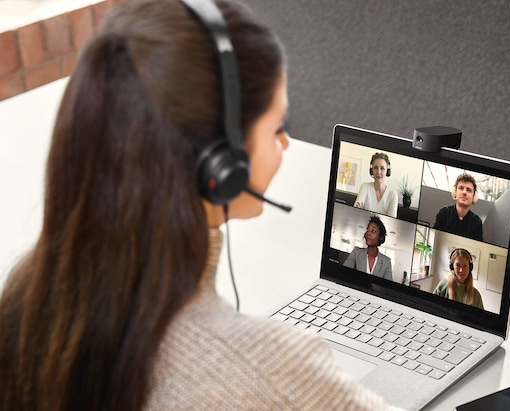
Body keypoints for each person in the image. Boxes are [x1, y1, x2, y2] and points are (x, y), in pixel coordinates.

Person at [0, 1, 402, 410]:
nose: (284, 143)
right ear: (221, 162)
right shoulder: (268, 366)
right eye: (278, 126)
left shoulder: (26, 297)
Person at [433, 173, 483, 241]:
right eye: (461, 188)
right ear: (455, 192)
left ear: (474, 196)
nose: (464, 192)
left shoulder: (477, 222)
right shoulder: (443, 213)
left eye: (468, 190)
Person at [343, 216, 393, 281]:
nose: (368, 233)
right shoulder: (356, 253)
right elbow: (344, 274)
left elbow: (388, 287)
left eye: (373, 231)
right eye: (367, 230)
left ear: (381, 238)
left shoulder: (386, 262)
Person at [354, 152, 398, 218]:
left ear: (387, 171)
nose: (378, 172)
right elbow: (355, 212)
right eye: (375, 168)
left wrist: (364, 213)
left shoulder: (393, 195)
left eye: (382, 168)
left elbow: (391, 221)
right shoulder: (365, 187)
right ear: (371, 170)